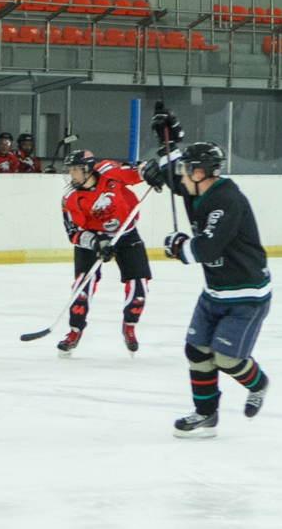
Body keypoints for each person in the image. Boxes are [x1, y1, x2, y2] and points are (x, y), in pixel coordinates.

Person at [140, 121, 271, 439]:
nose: (181, 177)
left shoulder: (226, 199)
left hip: (246, 295)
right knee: (196, 351)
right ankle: (206, 414)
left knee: (227, 358)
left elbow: (208, 247)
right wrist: (165, 143)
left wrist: (178, 247)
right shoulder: (198, 188)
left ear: (199, 173)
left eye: (186, 171)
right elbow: (172, 176)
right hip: (214, 292)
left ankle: (259, 383)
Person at [57, 149, 150, 355]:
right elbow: (73, 233)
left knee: (139, 289)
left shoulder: (109, 171)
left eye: (76, 169)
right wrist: (96, 242)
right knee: (82, 288)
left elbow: (138, 171)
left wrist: (150, 172)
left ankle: (129, 326)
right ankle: (74, 331)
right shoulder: (70, 197)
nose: (72, 174)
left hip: (126, 234)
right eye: (70, 169)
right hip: (93, 239)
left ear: (88, 169)